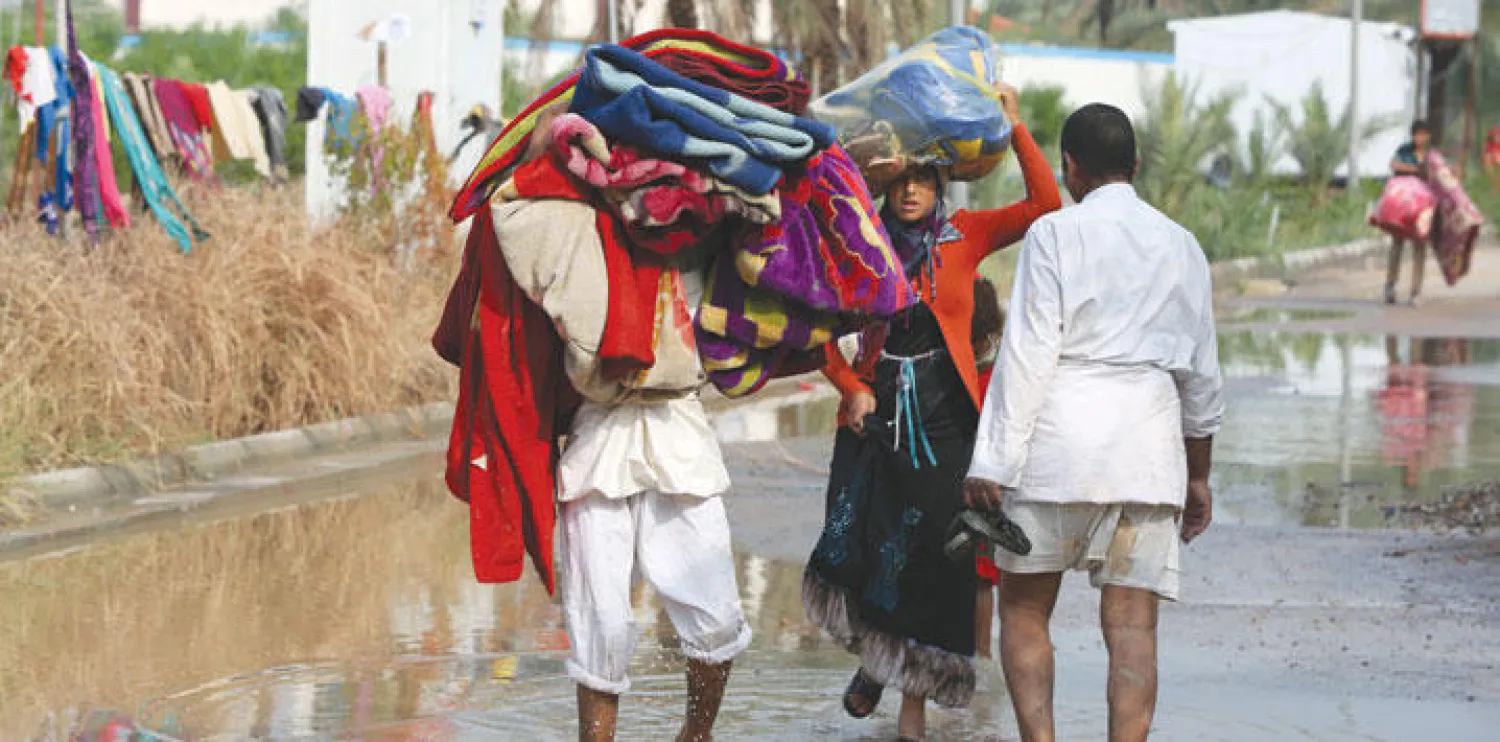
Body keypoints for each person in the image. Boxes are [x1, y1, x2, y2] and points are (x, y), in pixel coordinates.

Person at [805, 83, 1062, 741]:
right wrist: (847, 386)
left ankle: (910, 717)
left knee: (932, 559)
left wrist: (1014, 121)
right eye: (902, 180)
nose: (913, 190)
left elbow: (1044, 204)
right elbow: (812, 328)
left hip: (949, 427)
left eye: (924, 178)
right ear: (885, 187)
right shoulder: (860, 242)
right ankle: (875, 659)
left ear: (939, 182)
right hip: (874, 417)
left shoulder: (965, 235)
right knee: (866, 548)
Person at [962, 103, 1224, 742]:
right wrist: (1198, 479)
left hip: (1056, 452)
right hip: (1147, 454)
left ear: (1070, 168)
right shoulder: (1181, 245)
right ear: (1135, 166)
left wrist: (991, 462)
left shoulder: (1055, 235)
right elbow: (1201, 378)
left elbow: (1028, 354)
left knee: (1025, 614)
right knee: (1132, 626)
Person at [971, 277, 1006, 662]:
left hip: (949, 483)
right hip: (987, 490)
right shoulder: (996, 380)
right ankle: (981, 658)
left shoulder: (945, 374)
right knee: (982, 580)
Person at [1384, 121, 1433, 305]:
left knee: (1420, 246)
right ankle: (1390, 285)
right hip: (1402, 206)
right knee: (1397, 244)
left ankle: (1415, 291)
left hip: (1422, 207)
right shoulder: (1404, 150)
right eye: (1416, 135)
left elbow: (1439, 172)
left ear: (1428, 136)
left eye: (1422, 135)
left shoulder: (1431, 155)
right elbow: (1394, 165)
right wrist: (1414, 169)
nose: (1419, 139)